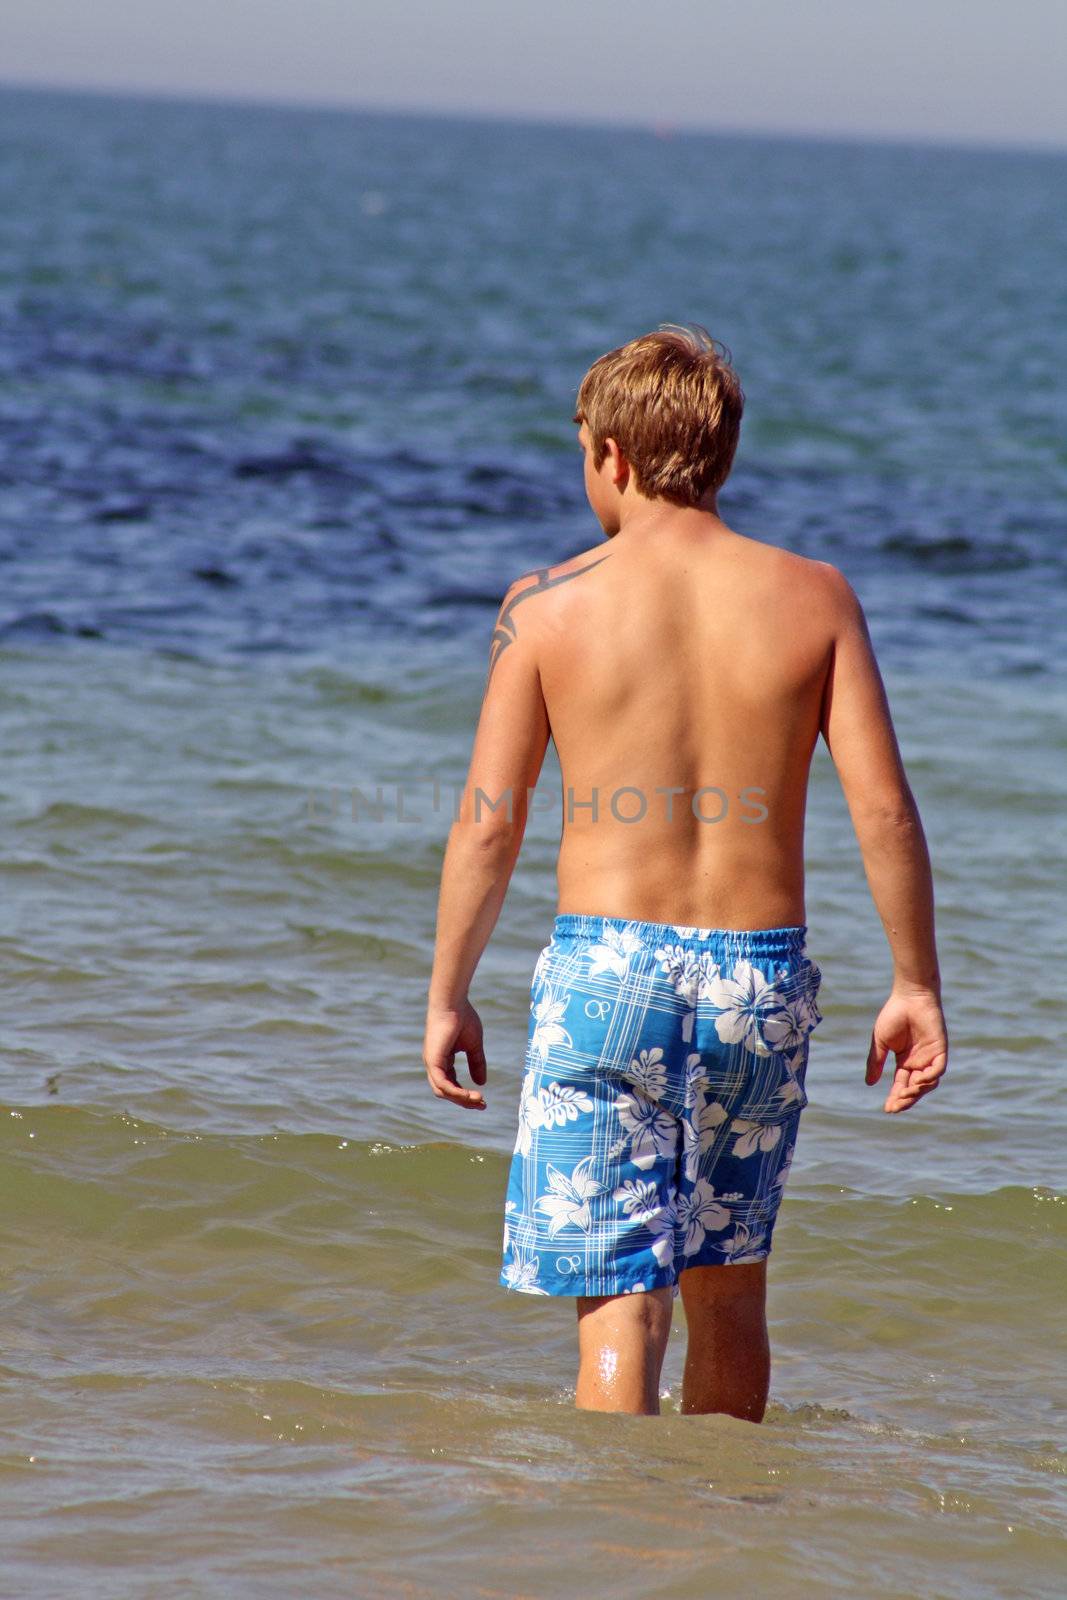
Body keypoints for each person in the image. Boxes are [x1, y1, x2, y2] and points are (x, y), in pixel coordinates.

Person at [422, 325, 948, 1420]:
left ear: (610, 456)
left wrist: (447, 992)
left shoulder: (543, 606)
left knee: (619, 1306)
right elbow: (882, 809)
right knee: (730, 1294)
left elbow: (486, 825)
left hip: (605, 973)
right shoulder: (814, 597)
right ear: (718, 454)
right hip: (755, 982)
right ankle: (718, 1549)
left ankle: (614, 1554)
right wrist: (913, 983)